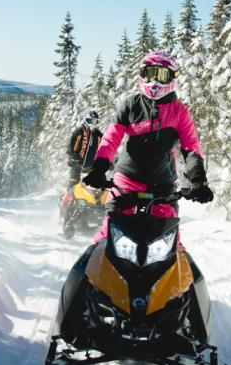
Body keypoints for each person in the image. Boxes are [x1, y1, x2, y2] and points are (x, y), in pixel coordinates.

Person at [82, 51, 212, 240]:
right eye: (150, 74)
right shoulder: (130, 105)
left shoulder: (179, 112)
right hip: (126, 183)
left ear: (172, 78)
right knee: (108, 236)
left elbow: (190, 148)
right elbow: (111, 139)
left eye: (161, 76)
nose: (155, 82)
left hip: (162, 187)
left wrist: (198, 180)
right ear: (142, 75)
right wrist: (98, 168)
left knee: (170, 241)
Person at [66, 110, 102, 188]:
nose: (93, 123)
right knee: (73, 185)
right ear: (86, 120)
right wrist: (72, 159)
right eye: (91, 121)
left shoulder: (99, 135)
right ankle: (68, 198)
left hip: (91, 167)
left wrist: (108, 161)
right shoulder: (79, 132)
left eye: (95, 121)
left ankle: (98, 200)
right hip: (77, 165)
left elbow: (103, 150)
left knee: (98, 185)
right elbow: (71, 148)